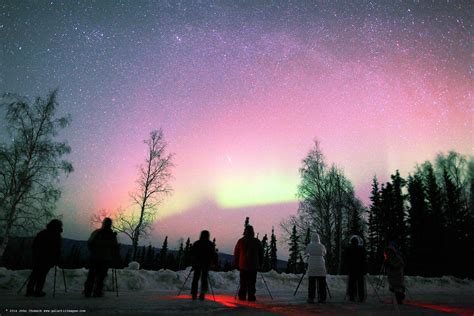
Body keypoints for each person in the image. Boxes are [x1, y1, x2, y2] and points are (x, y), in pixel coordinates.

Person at [26, 219, 63, 297]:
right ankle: (38, 291)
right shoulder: (56, 235)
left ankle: (30, 290)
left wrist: (36, 255)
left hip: (38, 257)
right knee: (42, 275)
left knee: (35, 273)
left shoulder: (42, 233)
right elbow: (57, 248)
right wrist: (57, 258)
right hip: (47, 258)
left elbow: (35, 245)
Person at [84, 218, 119, 297]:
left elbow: (90, 243)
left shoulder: (97, 232)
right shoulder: (111, 235)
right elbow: (115, 247)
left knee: (92, 275)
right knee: (101, 276)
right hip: (105, 258)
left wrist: (93, 251)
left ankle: (88, 291)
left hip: (95, 257)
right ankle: (97, 292)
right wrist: (114, 256)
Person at [234, 225, 263, 301]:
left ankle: (242, 296)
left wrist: (236, 263)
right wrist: (260, 263)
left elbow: (236, 253)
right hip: (253, 266)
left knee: (243, 282)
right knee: (252, 282)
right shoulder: (256, 241)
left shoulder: (241, 241)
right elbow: (261, 254)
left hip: (243, 265)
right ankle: (251, 297)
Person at [190, 230, 217, 300]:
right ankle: (202, 293)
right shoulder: (210, 244)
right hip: (206, 264)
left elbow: (192, 254)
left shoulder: (197, 243)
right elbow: (213, 255)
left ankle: (194, 294)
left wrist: (193, 263)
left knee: (195, 278)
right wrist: (214, 263)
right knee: (204, 279)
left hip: (197, 263)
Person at [305, 233, 327, 303]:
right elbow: (325, 253)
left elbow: (306, 252)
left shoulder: (309, 245)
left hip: (312, 266)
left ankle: (311, 298)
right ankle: (322, 298)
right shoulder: (322, 246)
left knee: (312, 283)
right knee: (322, 283)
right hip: (321, 266)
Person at [344, 235, 368, 302]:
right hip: (360, 269)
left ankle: (352, 297)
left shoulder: (348, 248)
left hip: (352, 269)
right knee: (360, 284)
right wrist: (365, 269)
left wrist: (347, 268)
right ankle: (361, 297)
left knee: (351, 283)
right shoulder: (362, 249)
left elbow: (346, 259)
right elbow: (364, 260)